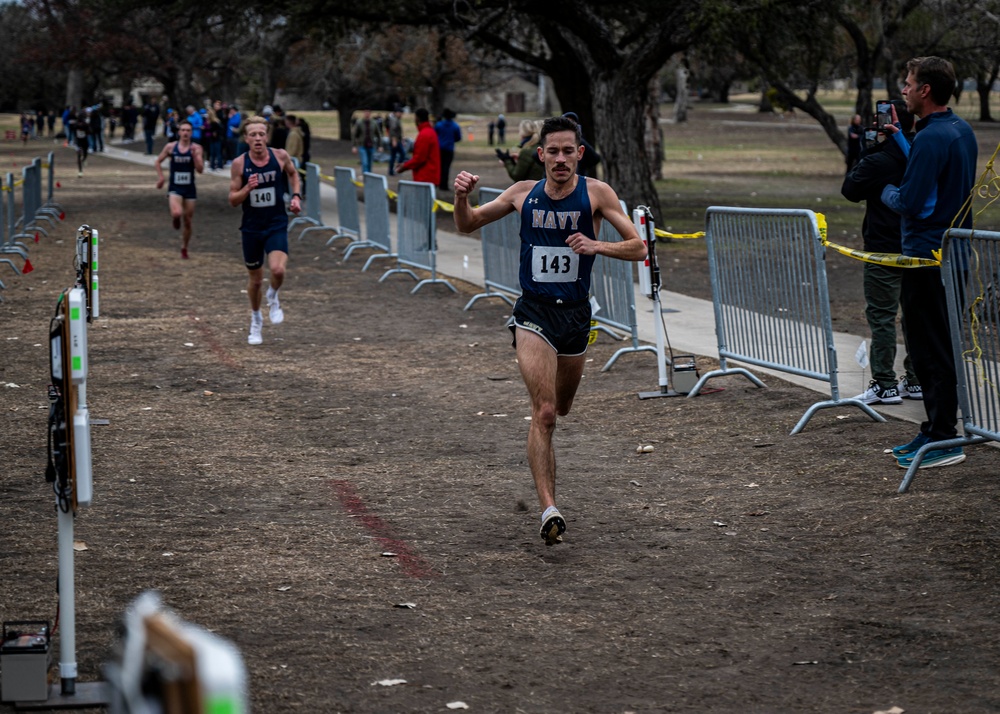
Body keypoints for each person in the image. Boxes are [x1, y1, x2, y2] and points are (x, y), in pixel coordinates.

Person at [452, 115, 646, 545]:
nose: (560, 159)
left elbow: (639, 247)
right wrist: (460, 198)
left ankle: (548, 496)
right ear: (540, 155)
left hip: (576, 316)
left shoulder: (597, 193)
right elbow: (467, 224)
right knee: (543, 412)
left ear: (579, 153)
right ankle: (549, 509)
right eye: (552, 151)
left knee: (562, 407)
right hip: (533, 312)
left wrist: (598, 245)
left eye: (568, 151)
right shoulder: (523, 194)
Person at [881, 56, 978, 470]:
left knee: (929, 350)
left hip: (926, 258)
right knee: (933, 347)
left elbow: (912, 202)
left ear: (925, 90)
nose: (903, 90)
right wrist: (902, 140)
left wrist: (884, 190)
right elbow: (935, 178)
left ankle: (944, 438)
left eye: (908, 84)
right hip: (950, 255)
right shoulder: (958, 130)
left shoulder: (933, 137)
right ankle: (935, 427)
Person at [841, 99, 921, 406]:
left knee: (882, 316)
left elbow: (850, 191)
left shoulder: (880, 159)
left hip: (882, 247)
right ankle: (915, 379)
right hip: (918, 247)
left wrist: (868, 151)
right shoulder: (921, 153)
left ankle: (885, 384)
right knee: (914, 316)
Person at [228, 116, 302, 346]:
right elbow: (232, 199)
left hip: (276, 223)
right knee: (256, 280)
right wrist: (247, 188)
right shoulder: (239, 164)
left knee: (278, 270)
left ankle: (274, 295)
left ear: (267, 136)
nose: (258, 138)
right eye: (253, 135)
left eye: (261, 134)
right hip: (251, 228)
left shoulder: (279, 156)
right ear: (246, 138)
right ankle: (256, 319)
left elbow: (293, 174)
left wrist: (296, 196)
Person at [155, 119, 205, 259]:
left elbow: (200, 170)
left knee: (188, 221)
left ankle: (184, 247)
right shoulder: (171, 147)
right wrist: (161, 178)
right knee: (177, 213)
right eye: (183, 130)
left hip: (189, 188)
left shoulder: (197, 148)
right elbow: (158, 161)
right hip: (175, 187)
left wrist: (195, 157)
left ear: (191, 133)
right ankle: (175, 218)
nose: (185, 133)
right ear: (179, 132)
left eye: (188, 130)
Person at [394, 107, 440, 186]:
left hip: (425, 178)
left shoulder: (424, 134)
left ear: (417, 119)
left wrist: (404, 166)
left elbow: (419, 158)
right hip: (429, 176)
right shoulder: (430, 132)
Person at [561, 111, 602, 177]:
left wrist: (583, 167)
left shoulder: (580, 142)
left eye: (571, 124)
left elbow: (595, 158)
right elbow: (539, 157)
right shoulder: (553, 140)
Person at [434, 108, 462, 192]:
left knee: (439, 166)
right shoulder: (455, 126)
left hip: (440, 148)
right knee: (446, 167)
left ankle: (438, 182)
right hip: (449, 148)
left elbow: (435, 134)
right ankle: (444, 185)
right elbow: (458, 138)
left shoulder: (439, 125)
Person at [352, 109, 378, 174]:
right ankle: (365, 176)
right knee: (365, 162)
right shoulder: (359, 122)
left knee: (370, 163)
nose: (367, 114)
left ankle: (369, 176)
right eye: (366, 112)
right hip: (362, 145)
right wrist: (354, 146)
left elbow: (378, 134)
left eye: (368, 112)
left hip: (371, 145)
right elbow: (355, 135)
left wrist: (380, 145)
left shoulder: (374, 123)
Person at [386, 105, 406, 176]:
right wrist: (394, 140)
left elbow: (399, 131)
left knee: (394, 155)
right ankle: (396, 169)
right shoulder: (394, 119)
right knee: (401, 154)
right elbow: (393, 131)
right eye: (400, 112)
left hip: (397, 140)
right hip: (395, 141)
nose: (401, 114)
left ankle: (393, 170)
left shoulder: (396, 119)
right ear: (396, 112)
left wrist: (402, 139)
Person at [70, 109, 90, 177]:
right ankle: (80, 171)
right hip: (78, 141)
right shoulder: (76, 124)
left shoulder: (85, 124)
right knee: (79, 155)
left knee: (85, 154)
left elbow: (89, 131)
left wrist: (84, 128)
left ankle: (83, 160)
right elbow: (73, 128)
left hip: (84, 141)